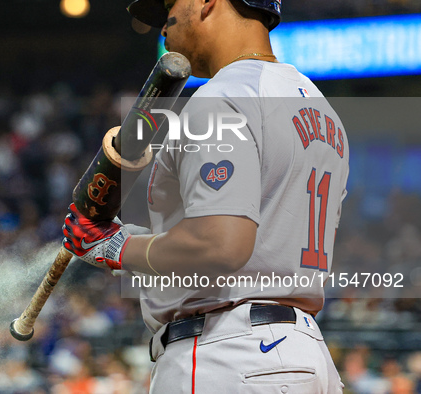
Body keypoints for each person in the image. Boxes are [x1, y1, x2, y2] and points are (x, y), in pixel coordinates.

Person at [63, 0, 349, 392]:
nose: (163, 27)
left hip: (227, 352)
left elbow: (221, 242)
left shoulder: (222, 97)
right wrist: (126, 237)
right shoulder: (320, 107)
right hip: (301, 353)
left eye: (168, 8)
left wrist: (116, 247)